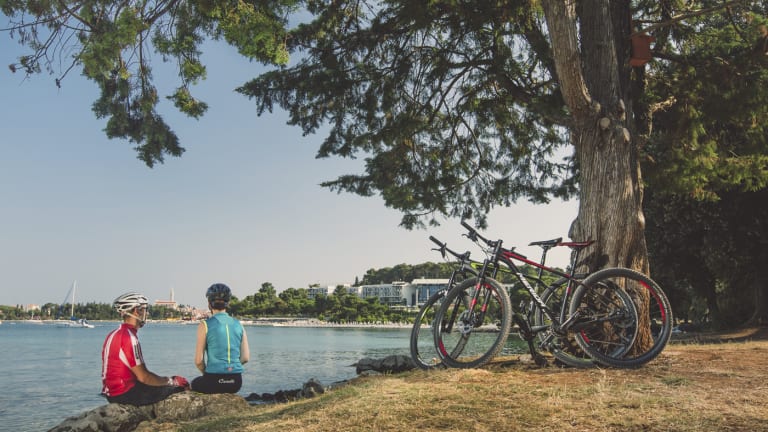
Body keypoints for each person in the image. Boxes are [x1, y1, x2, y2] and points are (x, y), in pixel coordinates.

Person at [101, 292, 190, 405]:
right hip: (125, 394)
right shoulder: (130, 338)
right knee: (180, 389)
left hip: (111, 393)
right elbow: (144, 377)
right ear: (136, 311)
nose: (146, 313)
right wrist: (172, 381)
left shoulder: (113, 334)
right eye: (144, 310)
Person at [191, 283, 250, 394]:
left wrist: (207, 374)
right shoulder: (239, 325)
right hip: (236, 382)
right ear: (228, 303)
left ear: (209, 304)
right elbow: (246, 358)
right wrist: (231, 368)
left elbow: (198, 361)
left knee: (193, 383)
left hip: (214, 380)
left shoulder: (205, 325)